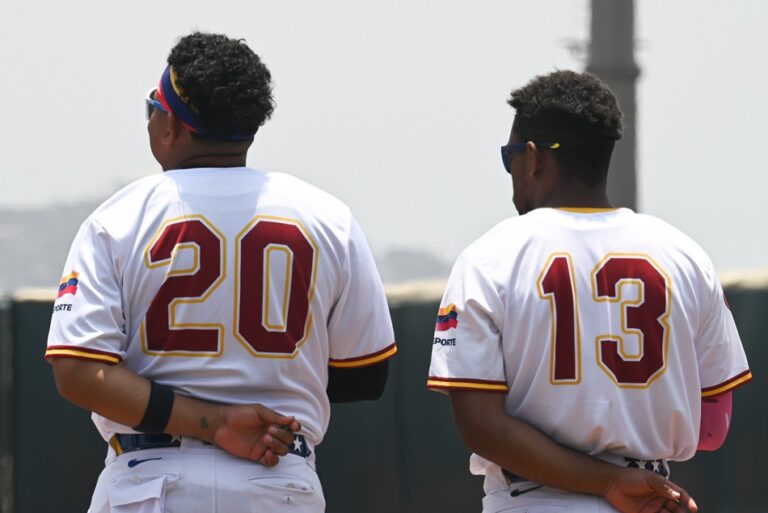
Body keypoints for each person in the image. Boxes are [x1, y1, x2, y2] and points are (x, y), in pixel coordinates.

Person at [45, 32, 396, 513]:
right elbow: (366, 375)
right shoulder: (327, 217)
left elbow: (78, 373)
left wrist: (211, 419)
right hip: (277, 475)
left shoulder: (118, 217)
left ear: (170, 125)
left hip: (150, 478)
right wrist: (265, 381)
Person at [427, 70, 751, 513]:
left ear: (533, 158)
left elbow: (482, 427)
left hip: (534, 500)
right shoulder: (686, 257)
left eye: (510, 157)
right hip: (651, 498)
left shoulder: (489, 257)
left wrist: (607, 478)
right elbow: (713, 429)